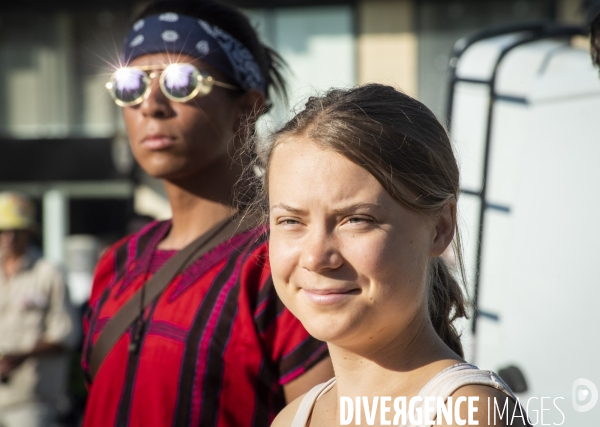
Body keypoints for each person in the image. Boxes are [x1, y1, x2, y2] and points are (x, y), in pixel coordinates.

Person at [80, 1, 332, 426]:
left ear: (248, 110)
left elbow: (321, 413)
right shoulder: (117, 262)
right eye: (130, 85)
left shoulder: (285, 259)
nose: (151, 105)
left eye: (181, 82)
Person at [243, 84, 530, 426]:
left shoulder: (466, 414)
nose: (316, 257)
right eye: (291, 220)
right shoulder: (293, 418)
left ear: (440, 228)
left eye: (357, 220)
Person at [0, 192, 79, 427]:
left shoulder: (48, 272)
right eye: (3, 231)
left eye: (17, 231)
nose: (9, 238)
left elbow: (66, 335)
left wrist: (21, 356)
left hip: (33, 401)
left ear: (29, 233)